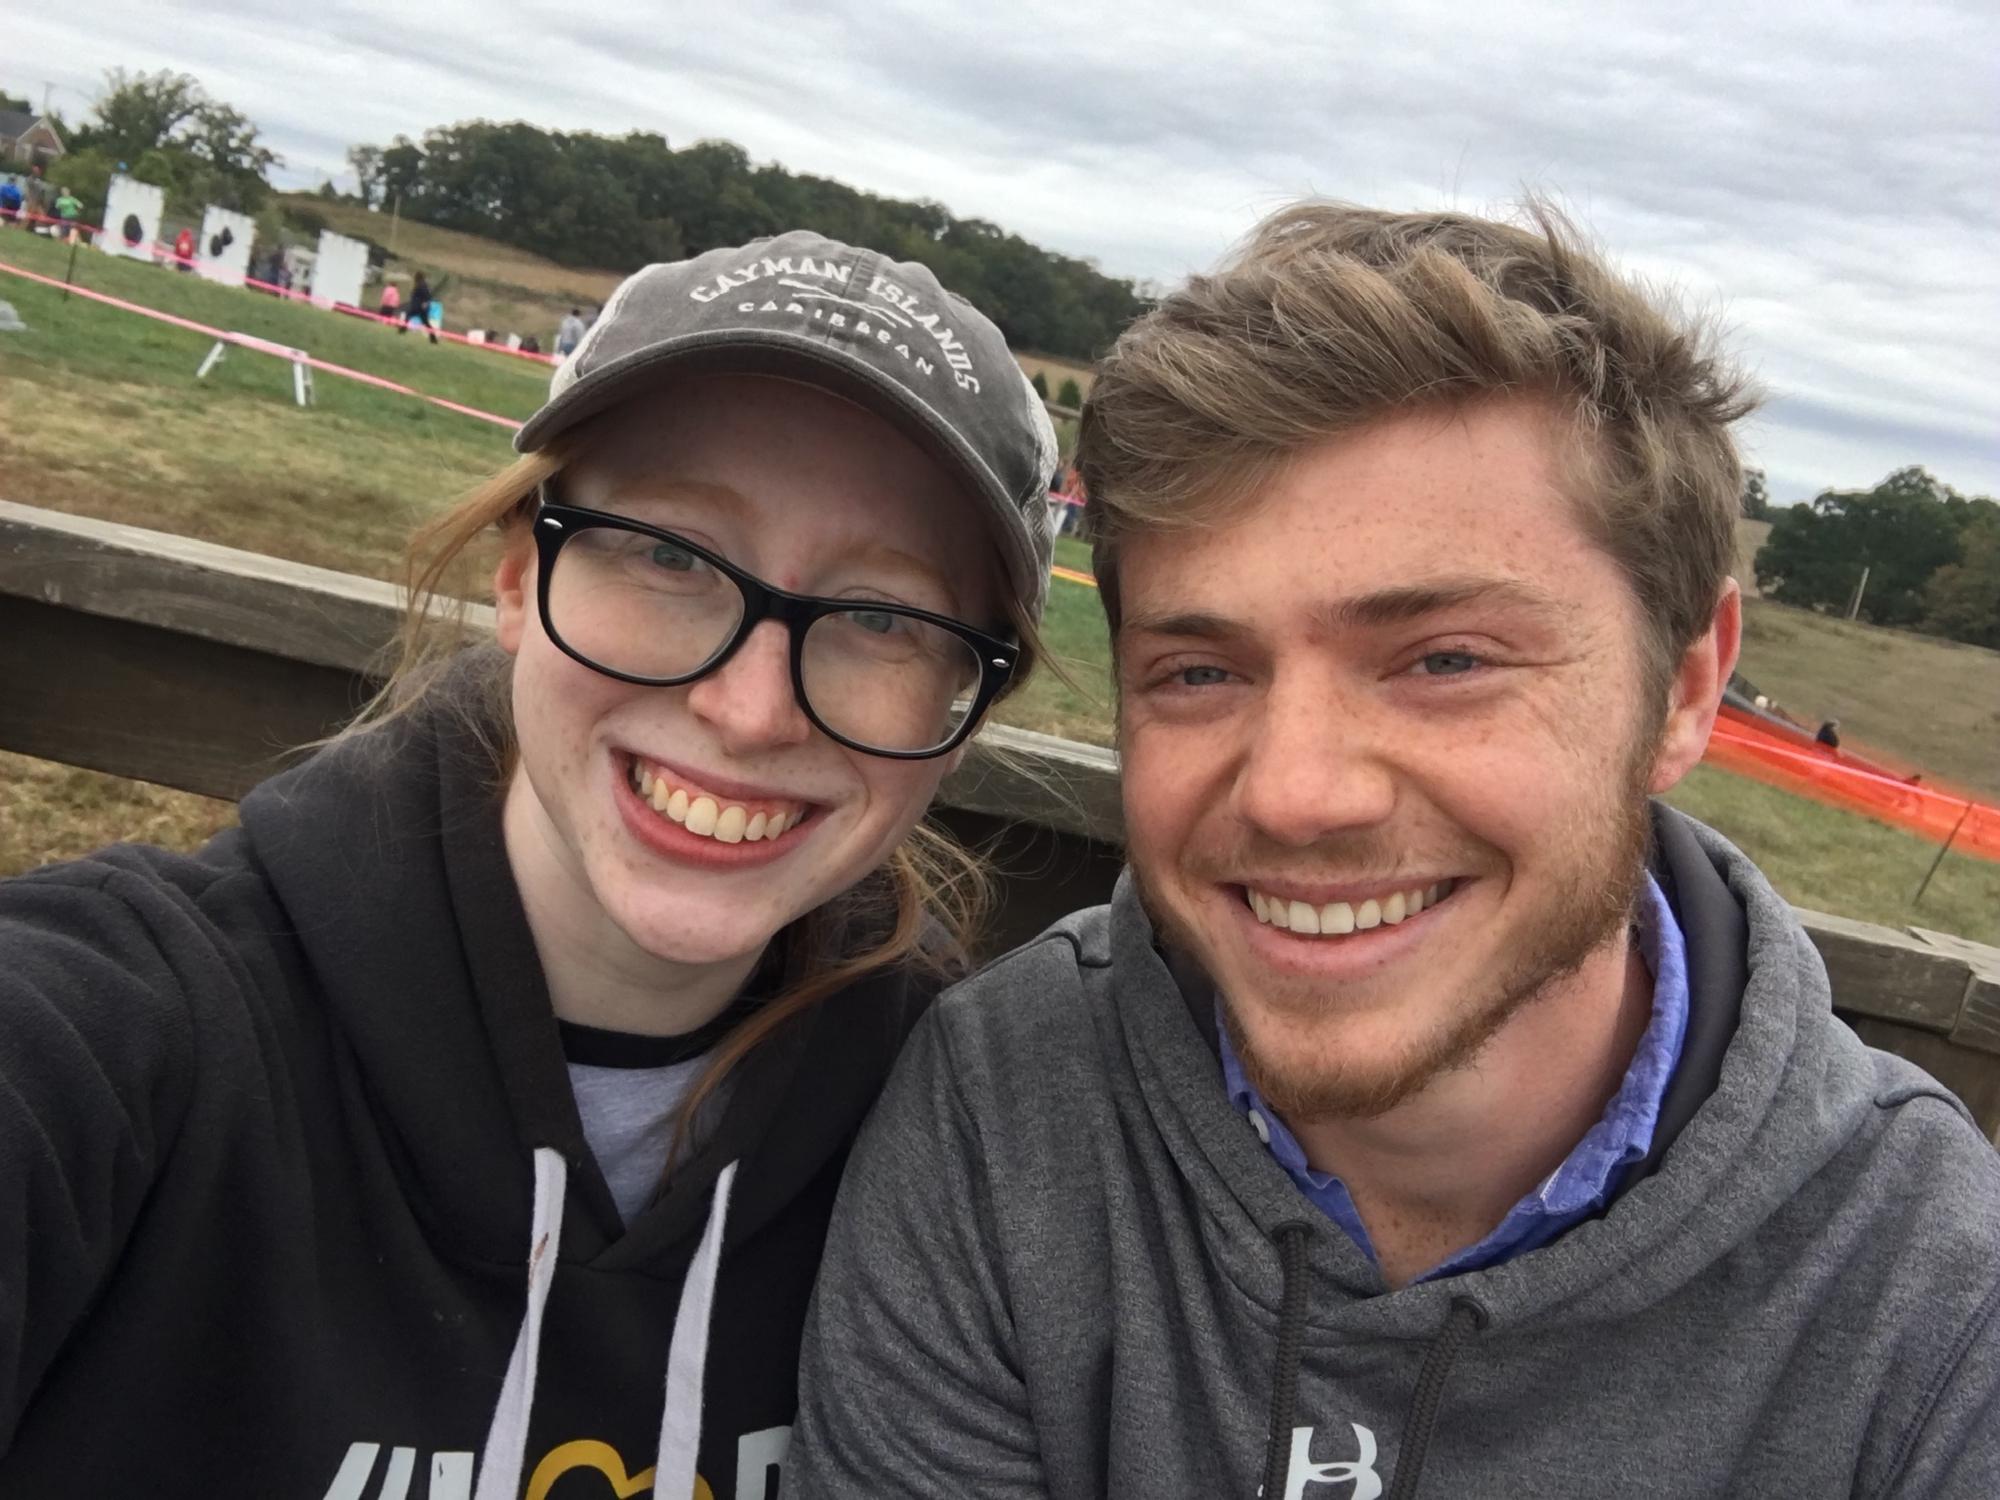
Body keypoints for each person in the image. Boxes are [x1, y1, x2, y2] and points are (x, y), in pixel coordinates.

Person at [789, 203, 2000, 1497]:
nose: (1300, 792)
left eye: (1446, 660)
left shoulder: (1934, 1307)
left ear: (1687, 686)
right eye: (1200, 670)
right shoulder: (1005, 1107)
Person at [0, 229, 1059, 1496]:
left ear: (965, 709)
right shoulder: (123, 1042)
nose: (748, 709)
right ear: (519, 574)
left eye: (885, 618)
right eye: (670, 554)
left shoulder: (965, 1149)